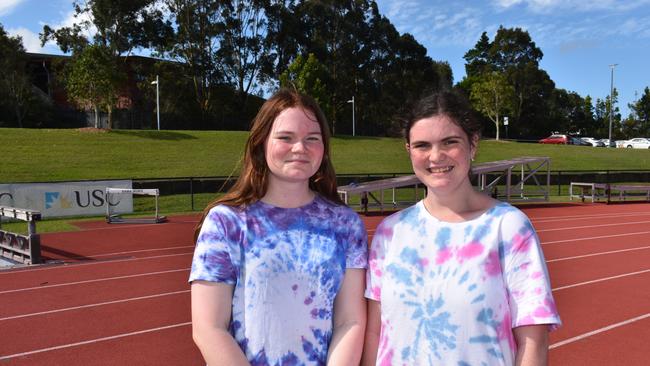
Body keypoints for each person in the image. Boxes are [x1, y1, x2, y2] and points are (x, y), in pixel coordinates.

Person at [362, 91, 561, 366]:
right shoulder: (390, 232)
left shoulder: (508, 227)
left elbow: (533, 339)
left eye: (449, 142)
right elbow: (374, 333)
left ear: (473, 144)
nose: (436, 156)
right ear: (408, 150)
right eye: (422, 145)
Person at [189, 89, 368, 366]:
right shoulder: (226, 222)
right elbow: (209, 328)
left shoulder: (345, 224)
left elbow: (350, 320)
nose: (300, 148)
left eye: (312, 139)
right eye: (286, 137)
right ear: (262, 142)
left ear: (324, 148)